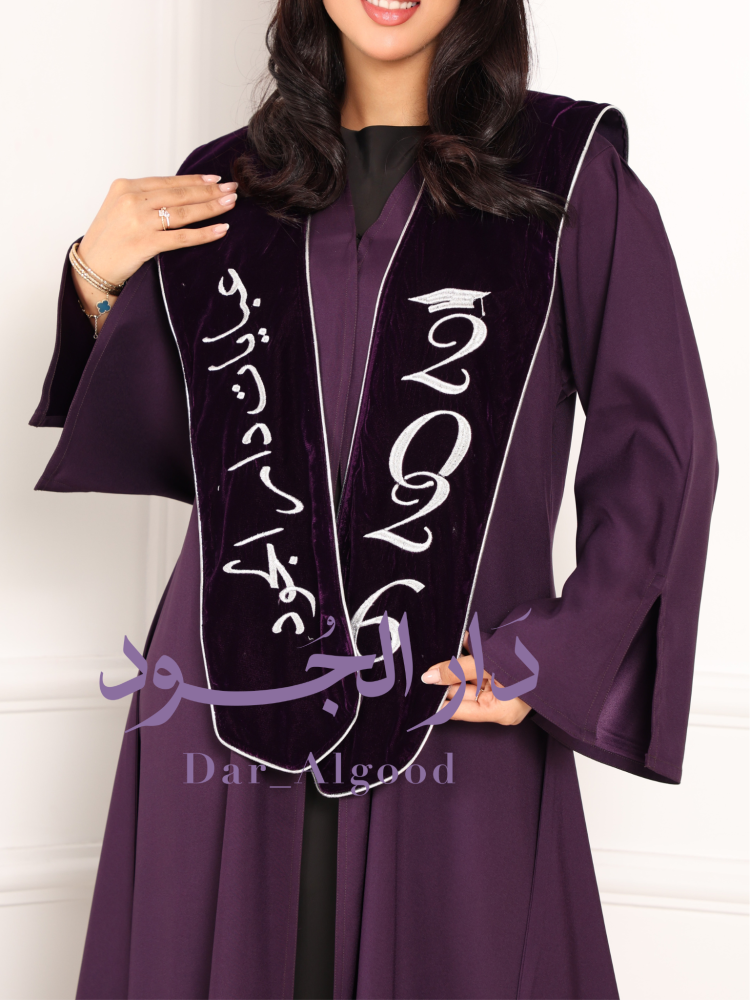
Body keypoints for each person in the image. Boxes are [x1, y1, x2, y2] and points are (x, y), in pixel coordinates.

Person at [30, 0, 717, 998]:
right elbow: (172, 437)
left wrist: (553, 656)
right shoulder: (229, 184)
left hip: (452, 689)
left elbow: (660, 445)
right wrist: (96, 274)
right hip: (228, 683)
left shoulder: (564, 172)